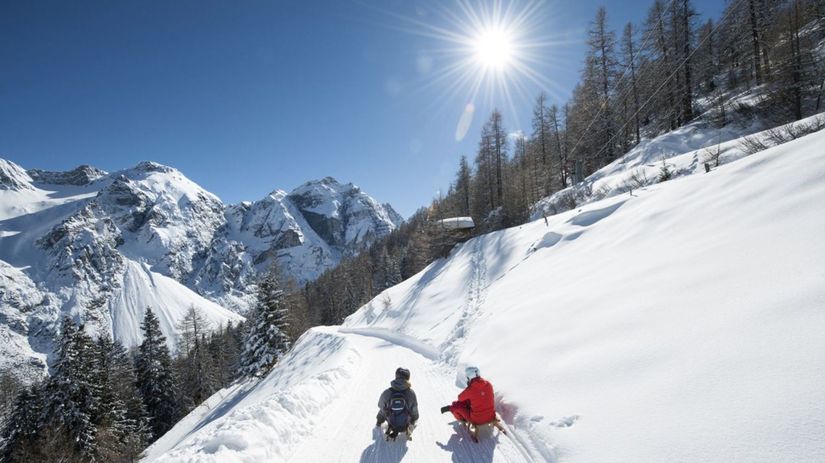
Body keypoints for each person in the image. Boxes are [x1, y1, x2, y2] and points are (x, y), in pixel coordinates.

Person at [376, 367, 419, 439]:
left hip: (391, 423)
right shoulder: (411, 393)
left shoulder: (388, 392)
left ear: (396, 376)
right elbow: (414, 409)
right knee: (412, 409)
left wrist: (380, 419)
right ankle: (408, 427)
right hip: (405, 425)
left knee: (384, 407)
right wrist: (414, 419)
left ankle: (379, 422)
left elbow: (380, 405)